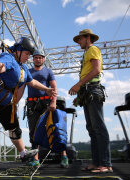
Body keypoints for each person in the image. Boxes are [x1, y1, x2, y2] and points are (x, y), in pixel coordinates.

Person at [0, 37, 56, 174]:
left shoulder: (23, 68)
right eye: (27, 54)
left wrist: (47, 89)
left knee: (14, 128)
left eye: (30, 55)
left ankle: (23, 154)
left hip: (4, 101)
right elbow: (2, 65)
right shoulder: (8, 57)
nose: (28, 57)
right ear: (18, 51)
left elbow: (31, 82)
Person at [68, 29, 112, 173]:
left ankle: (105, 163)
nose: (78, 42)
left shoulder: (93, 49)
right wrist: (80, 95)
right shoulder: (86, 53)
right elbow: (89, 74)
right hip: (88, 92)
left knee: (98, 128)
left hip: (93, 90)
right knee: (92, 129)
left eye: (80, 39)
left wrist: (78, 85)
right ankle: (97, 162)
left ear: (87, 38)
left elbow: (96, 70)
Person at [17, 49, 69, 168]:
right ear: (33, 59)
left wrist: (53, 102)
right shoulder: (28, 71)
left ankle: (64, 156)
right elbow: (21, 89)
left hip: (46, 103)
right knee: (34, 132)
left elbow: (54, 87)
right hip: (32, 105)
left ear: (43, 59)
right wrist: (15, 103)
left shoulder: (48, 71)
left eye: (40, 57)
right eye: (36, 57)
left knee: (55, 128)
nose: (38, 59)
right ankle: (35, 159)